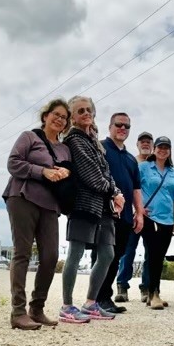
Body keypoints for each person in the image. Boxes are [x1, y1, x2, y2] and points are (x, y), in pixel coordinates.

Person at [2, 98, 72, 330]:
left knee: (51, 256)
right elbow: (13, 163)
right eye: (56, 114)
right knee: (22, 253)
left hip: (50, 205)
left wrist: (65, 173)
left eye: (64, 117)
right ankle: (18, 312)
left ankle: (37, 308)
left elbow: (69, 178)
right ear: (45, 116)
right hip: (23, 196)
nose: (60, 119)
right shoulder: (29, 137)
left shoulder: (64, 149)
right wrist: (42, 171)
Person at [60, 96, 125, 323]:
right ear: (73, 117)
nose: (86, 113)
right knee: (75, 254)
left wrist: (117, 193)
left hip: (103, 206)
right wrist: (114, 193)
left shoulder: (93, 140)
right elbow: (91, 176)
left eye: (88, 109)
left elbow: (106, 174)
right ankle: (67, 306)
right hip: (83, 204)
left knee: (107, 253)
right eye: (80, 111)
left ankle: (90, 303)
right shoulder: (75, 140)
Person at [96, 113, 144, 314]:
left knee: (116, 256)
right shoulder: (100, 148)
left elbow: (136, 189)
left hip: (124, 216)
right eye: (119, 124)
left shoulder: (131, 159)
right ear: (110, 126)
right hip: (103, 212)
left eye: (127, 126)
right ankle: (97, 298)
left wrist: (139, 213)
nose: (122, 128)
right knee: (101, 256)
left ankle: (105, 297)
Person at [139, 136, 174, 309]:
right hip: (150, 216)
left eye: (166, 147)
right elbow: (135, 188)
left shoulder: (173, 173)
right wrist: (138, 209)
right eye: (160, 147)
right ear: (154, 149)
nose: (163, 150)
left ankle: (152, 291)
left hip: (167, 219)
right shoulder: (143, 167)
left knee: (159, 256)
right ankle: (153, 292)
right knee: (154, 254)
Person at [115, 131, 153, 303]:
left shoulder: (157, 165)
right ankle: (122, 286)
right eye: (142, 142)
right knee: (127, 251)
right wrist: (134, 209)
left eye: (148, 142)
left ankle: (146, 288)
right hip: (132, 213)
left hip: (153, 216)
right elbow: (126, 187)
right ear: (137, 144)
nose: (145, 144)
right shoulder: (131, 162)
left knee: (150, 254)